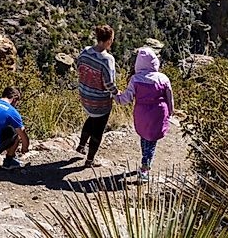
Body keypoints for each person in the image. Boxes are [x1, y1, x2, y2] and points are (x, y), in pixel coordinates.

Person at [115, 47, 174, 182]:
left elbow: (126, 99)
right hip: (158, 113)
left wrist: (116, 95)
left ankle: (144, 162)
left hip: (141, 114)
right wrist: (170, 112)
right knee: (152, 141)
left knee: (144, 137)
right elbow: (169, 98)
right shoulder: (163, 78)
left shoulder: (135, 79)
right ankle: (145, 168)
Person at [75, 25, 118, 168]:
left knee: (91, 118)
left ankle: (81, 146)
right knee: (98, 129)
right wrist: (118, 94)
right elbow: (109, 83)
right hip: (99, 100)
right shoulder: (107, 59)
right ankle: (89, 160)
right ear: (108, 41)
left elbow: (78, 66)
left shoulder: (85, 51)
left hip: (84, 95)